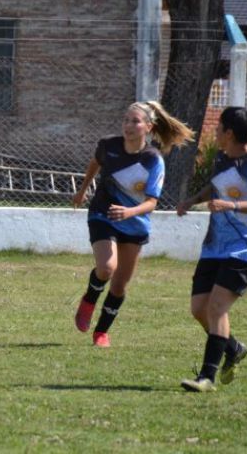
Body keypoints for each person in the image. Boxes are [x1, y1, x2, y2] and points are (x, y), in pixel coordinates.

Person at [72, 101, 194, 348]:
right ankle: (89, 299)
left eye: (135, 121)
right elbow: (95, 163)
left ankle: (101, 333)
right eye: (126, 120)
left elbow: (151, 203)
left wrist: (130, 211)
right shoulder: (109, 146)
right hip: (102, 214)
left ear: (148, 127)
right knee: (106, 268)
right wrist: (83, 190)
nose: (128, 125)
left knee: (119, 285)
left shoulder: (153, 160)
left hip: (135, 221)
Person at [176, 107, 247, 392]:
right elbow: (216, 185)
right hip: (215, 246)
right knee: (199, 309)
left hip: (246, 247)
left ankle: (207, 378)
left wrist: (231, 205)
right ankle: (232, 348)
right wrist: (193, 200)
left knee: (217, 307)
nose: (215, 132)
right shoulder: (222, 158)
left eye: (219, 128)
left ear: (229, 133)